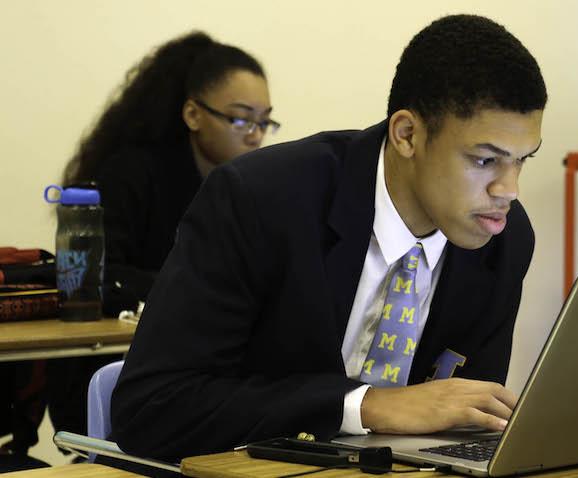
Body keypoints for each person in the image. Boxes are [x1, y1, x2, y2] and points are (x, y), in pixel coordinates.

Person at [112, 14, 546, 462]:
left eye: (521, 161)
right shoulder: (261, 200)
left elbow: (463, 425)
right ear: (407, 135)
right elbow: (152, 407)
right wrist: (364, 405)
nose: (508, 190)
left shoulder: (506, 239)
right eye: (484, 160)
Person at [46, 31, 278, 445]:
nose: (255, 134)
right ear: (193, 114)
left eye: (264, 122)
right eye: (241, 119)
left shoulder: (254, 189)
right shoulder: (133, 174)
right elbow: (97, 276)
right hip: (116, 370)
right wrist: (198, 294)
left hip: (204, 369)